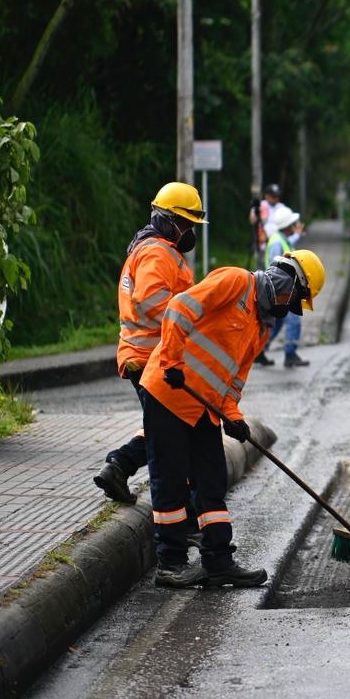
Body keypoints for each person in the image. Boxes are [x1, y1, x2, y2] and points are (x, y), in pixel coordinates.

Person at [141, 249, 325, 588]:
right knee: (170, 479)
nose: (291, 308)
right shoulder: (235, 282)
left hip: (204, 409)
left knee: (211, 483)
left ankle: (219, 561)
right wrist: (170, 361)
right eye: (296, 299)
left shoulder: (261, 327)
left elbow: (234, 380)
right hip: (168, 394)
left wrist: (233, 416)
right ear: (287, 280)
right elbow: (178, 308)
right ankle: (171, 564)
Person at [94, 182, 204, 504]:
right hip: (149, 356)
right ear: (168, 220)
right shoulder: (157, 251)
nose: (189, 232)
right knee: (169, 431)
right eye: (186, 224)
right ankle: (121, 466)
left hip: (143, 354)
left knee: (163, 426)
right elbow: (154, 300)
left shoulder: (153, 248)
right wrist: (190, 323)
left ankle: (118, 467)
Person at [256, 210, 308, 368]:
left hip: (281, 289)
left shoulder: (282, 239)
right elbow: (277, 267)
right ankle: (290, 354)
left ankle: (259, 352)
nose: (296, 225)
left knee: (276, 323)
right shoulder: (278, 242)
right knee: (293, 320)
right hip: (282, 290)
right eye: (293, 223)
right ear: (287, 225)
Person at [249, 183, 283, 269]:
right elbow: (252, 221)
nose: (275, 198)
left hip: (277, 243)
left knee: (276, 267)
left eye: (277, 196)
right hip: (262, 243)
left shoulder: (282, 207)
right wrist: (257, 213)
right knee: (261, 267)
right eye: (272, 196)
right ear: (267, 195)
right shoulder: (261, 205)